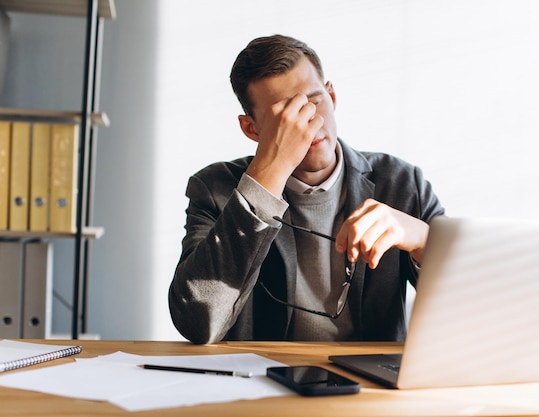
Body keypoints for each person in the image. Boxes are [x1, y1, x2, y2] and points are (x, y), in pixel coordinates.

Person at [169, 34, 445, 344]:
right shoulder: (214, 189)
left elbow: (468, 309)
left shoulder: (402, 183)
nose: (309, 123)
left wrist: (423, 240)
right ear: (251, 128)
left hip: (371, 387)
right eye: (284, 117)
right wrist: (267, 174)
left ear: (333, 97)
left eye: (314, 102)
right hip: (262, 383)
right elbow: (198, 323)